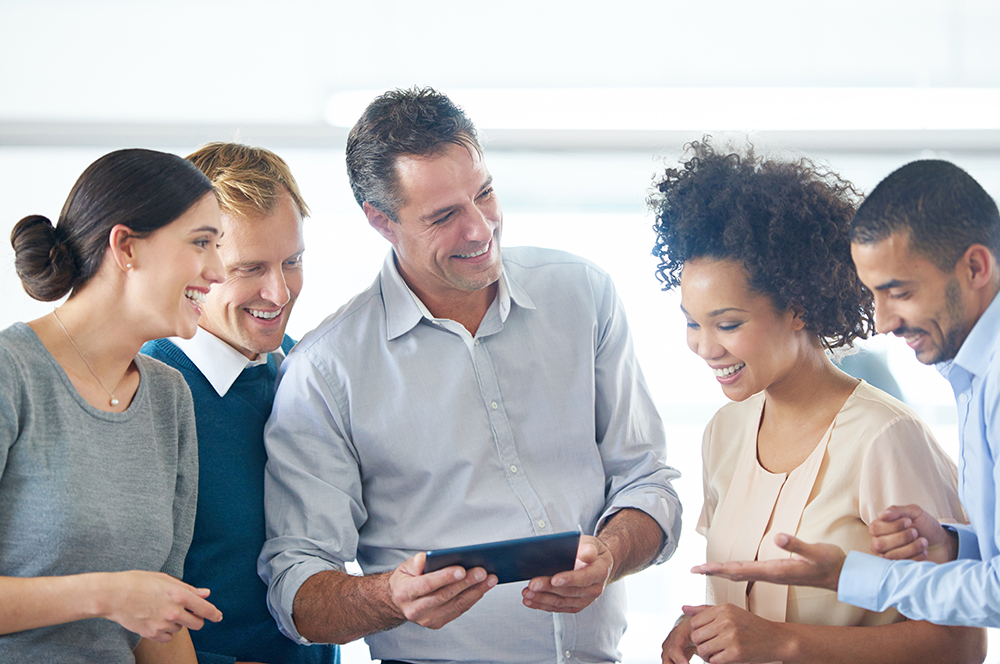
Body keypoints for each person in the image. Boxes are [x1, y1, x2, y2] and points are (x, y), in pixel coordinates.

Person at [258, 86, 683, 663]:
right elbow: (297, 590)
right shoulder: (324, 370)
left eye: (484, 194)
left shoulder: (583, 295)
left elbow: (649, 483)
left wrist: (609, 555)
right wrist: (391, 596)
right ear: (381, 221)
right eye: (444, 216)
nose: (481, 229)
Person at [651, 142, 986, 664]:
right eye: (692, 322)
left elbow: (960, 645)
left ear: (798, 309)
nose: (705, 346)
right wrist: (705, 625)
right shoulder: (724, 431)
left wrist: (784, 644)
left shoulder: (884, 437)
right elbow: (744, 598)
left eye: (728, 323)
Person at [2, 148, 225, 662]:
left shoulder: (169, 397)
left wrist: (138, 600)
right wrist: (106, 595)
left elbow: (158, 621)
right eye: (201, 243)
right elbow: (132, 600)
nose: (216, 270)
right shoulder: (11, 373)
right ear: (125, 247)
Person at [142, 143, 339, 664]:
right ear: (193, 263)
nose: (279, 293)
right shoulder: (146, 389)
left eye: (292, 262)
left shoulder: (304, 366)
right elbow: (124, 602)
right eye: (249, 269)